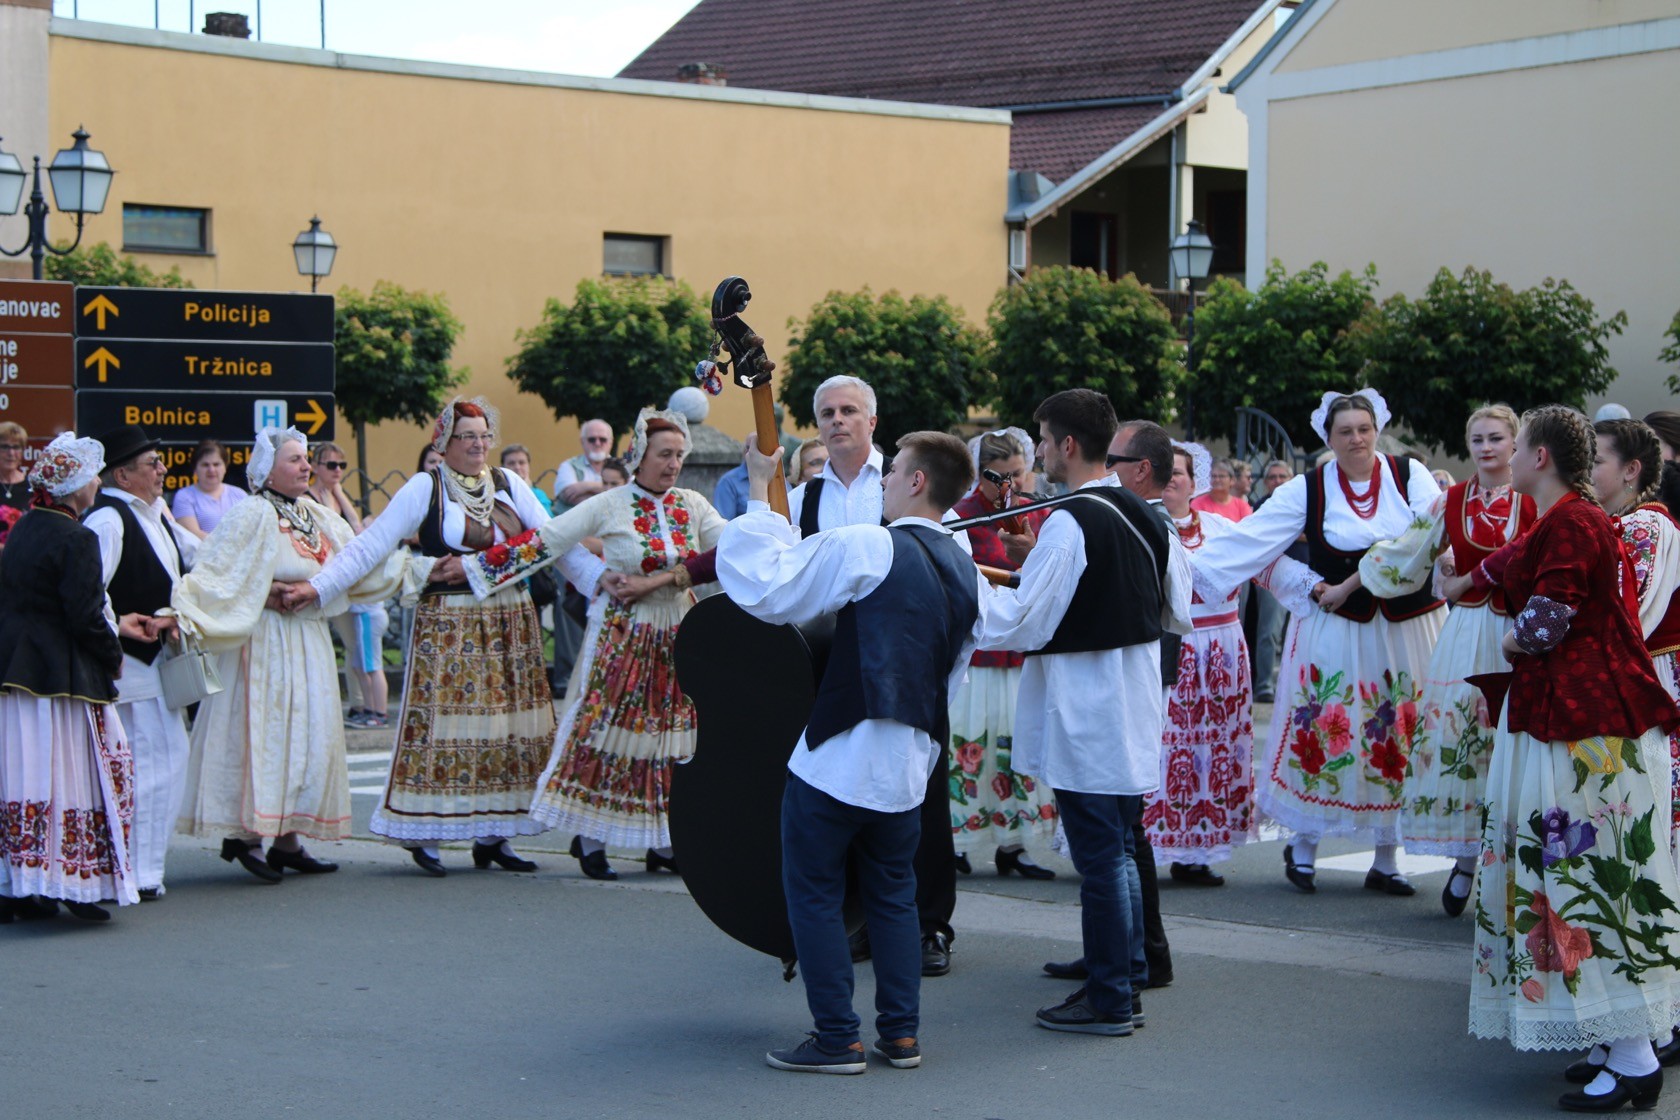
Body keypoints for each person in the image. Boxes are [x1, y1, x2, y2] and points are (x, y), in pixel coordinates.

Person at [719, 430, 985, 1074]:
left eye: (894, 470)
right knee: (893, 897)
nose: (884, 479)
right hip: (909, 760)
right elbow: (951, 677)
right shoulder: (966, 569)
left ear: (917, 481)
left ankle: (837, 1037)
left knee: (813, 894)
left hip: (843, 751)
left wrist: (757, 490)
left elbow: (768, 587)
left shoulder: (870, 543)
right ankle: (901, 1035)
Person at [1461, 405, 1680, 1112]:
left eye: (1518, 443)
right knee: (1570, 875)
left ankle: (1636, 1053)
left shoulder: (1575, 521)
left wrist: (1513, 641)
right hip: (1573, 719)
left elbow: (1551, 613)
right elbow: (1520, 576)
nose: (1509, 456)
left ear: (1540, 457)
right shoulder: (1568, 518)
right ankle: (1614, 1041)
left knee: (1595, 874)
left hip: (1591, 727)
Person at [982, 389, 1190, 1036]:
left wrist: (964, 591)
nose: (1040, 451)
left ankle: (1110, 997)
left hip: (1088, 703)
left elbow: (1025, 621)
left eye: (1044, 440)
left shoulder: (1071, 520)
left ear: (1067, 445)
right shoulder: (1148, 513)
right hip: (1133, 693)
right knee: (1118, 845)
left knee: (1101, 855)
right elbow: (1179, 604)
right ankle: (1123, 970)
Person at [291, 399, 566, 876]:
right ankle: (426, 834)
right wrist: (317, 588)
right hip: (451, 623)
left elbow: (550, 542)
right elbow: (370, 547)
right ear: (445, 441)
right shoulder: (427, 486)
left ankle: (495, 834)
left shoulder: (508, 483)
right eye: (467, 436)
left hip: (510, 621)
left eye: (484, 435)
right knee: (443, 726)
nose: (478, 444)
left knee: (505, 727)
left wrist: (600, 580)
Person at [1192, 389, 1446, 895]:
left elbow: (1426, 534)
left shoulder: (1409, 475)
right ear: (1328, 437)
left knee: (1398, 735)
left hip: (1407, 628)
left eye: (1364, 429)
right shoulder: (1307, 489)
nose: (1357, 439)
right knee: (1328, 727)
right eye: (1345, 431)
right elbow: (1254, 541)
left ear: (1377, 431)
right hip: (1338, 626)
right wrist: (1306, 583)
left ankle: (1386, 858)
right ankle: (1303, 845)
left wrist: (1367, 574)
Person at [460, 407, 726, 880]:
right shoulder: (611, 503)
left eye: (679, 455)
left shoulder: (692, 503)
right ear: (639, 456)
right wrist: (474, 570)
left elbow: (731, 546)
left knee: (672, 736)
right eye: (664, 454)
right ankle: (591, 837)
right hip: (624, 632)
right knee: (606, 729)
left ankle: (663, 841)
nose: (673, 464)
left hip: (677, 629)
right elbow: (549, 538)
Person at [787, 374, 971, 977]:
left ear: (872, 421)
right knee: (837, 795)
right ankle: (856, 919)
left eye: (849, 410)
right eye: (827, 413)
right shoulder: (800, 498)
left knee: (919, 795)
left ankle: (928, 924)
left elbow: (947, 565)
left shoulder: (906, 481)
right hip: (826, 662)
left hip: (901, 661)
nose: (837, 420)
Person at [170, 427, 399, 881]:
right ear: (267, 470)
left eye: (306, 458)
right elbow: (212, 571)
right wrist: (265, 589)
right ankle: (247, 836)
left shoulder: (317, 515)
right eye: (294, 459)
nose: (306, 466)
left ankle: (288, 840)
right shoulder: (251, 512)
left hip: (308, 638)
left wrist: (408, 562)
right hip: (265, 641)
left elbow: (355, 561)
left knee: (306, 736)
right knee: (264, 734)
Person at [1362, 405, 1535, 917]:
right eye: (1478, 439)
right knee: (1465, 740)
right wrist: (1351, 583)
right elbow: (1406, 552)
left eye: (1496, 438)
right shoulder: (1451, 501)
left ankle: (1514, 870)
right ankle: (1465, 862)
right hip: (1465, 633)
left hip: (1516, 631)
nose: (1486, 447)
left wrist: (1465, 579)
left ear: (1515, 443)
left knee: (1513, 743)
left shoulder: (1533, 501)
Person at [0, 433, 143, 922]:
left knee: (23, 778)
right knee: (69, 777)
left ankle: (20, 886)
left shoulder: (24, 527)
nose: (97, 483)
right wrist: (112, 654)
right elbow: (84, 616)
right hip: (60, 678)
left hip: (16, 672)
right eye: (92, 476)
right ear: (75, 485)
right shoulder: (77, 538)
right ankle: (72, 885)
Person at [1144, 441, 1282, 887]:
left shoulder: (1222, 529)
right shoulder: (1139, 527)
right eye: (1163, 472)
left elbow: (1267, 568)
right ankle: (1147, 843)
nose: (1170, 481)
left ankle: (1197, 850)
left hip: (1219, 651)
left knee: (1212, 748)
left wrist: (1315, 590)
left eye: (1177, 473)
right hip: (1163, 648)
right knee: (1162, 746)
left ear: (1193, 482)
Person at [85, 424, 201, 900]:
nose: (162, 470)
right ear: (122, 475)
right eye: (152, 463)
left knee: (165, 762)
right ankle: (134, 870)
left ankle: (142, 866)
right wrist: (119, 626)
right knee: (148, 766)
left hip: (156, 664)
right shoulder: (109, 520)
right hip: (130, 667)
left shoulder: (155, 516)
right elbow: (87, 591)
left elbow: (200, 562)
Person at [947, 429, 1057, 879]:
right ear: (981, 475)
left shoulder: (1039, 511)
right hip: (980, 652)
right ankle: (957, 840)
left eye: (1018, 473)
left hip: (1024, 652)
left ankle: (1015, 844)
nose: (1010, 484)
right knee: (973, 745)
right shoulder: (961, 516)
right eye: (999, 477)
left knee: (1017, 747)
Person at [1250, 459, 1301, 703]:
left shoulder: (1303, 501)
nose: (1277, 481)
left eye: (1282, 476)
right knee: (1269, 632)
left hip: (1305, 578)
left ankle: (1296, 684)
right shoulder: (1262, 505)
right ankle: (1264, 685)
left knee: (1301, 634)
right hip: (1273, 578)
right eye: (1272, 477)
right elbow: (1263, 536)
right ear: (1265, 482)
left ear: (1291, 480)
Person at [171, 438, 247, 538]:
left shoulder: (240, 495)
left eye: (216, 464)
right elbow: (192, 535)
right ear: (195, 469)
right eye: (205, 465)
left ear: (225, 467)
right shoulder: (184, 497)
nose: (211, 470)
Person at [553, 419, 614, 514]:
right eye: (592, 439)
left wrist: (586, 486)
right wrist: (611, 491)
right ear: (582, 442)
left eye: (603, 439)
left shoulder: (623, 467)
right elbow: (569, 496)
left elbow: (628, 495)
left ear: (611, 442)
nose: (597, 443)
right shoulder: (568, 466)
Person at [0, 420, 29, 556]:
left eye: (16, 447)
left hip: (24, 560)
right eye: (5, 447)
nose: (11, 453)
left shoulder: (33, 487)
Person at [501, 443, 553, 517]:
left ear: (528, 466)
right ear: (503, 467)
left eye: (521, 463)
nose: (517, 467)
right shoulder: (498, 494)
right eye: (511, 463)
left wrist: (526, 490)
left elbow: (546, 519)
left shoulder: (539, 494)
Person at [711, 441, 754, 520]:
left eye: (756, 448)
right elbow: (723, 523)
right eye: (748, 447)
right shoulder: (728, 482)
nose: (750, 452)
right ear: (744, 451)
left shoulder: (776, 480)